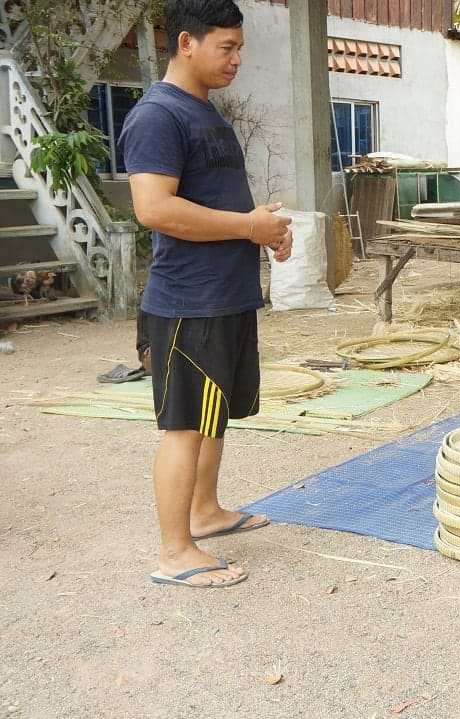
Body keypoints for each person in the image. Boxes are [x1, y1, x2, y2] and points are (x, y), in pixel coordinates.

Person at [118, 0, 293, 588]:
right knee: (185, 424)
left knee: (213, 416)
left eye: (240, 48)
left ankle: (205, 512)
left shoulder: (204, 112)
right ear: (186, 42)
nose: (237, 59)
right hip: (187, 300)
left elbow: (213, 203)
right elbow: (154, 208)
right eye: (227, 47)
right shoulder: (158, 115)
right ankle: (174, 552)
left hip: (226, 293)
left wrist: (264, 229)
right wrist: (247, 226)